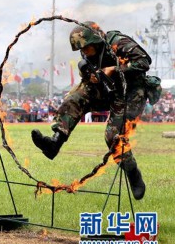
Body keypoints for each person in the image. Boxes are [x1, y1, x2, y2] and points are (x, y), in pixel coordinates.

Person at [31, 21, 161, 200]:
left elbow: (144, 62)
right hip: (109, 91)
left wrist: (114, 70)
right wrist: (91, 78)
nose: (84, 53)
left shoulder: (117, 42)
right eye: (81, 50)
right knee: (75, 97)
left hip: (131, 93)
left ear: (95, 42)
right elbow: (89, 78)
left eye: (86, 48)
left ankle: (133, 174)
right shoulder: (89, 59)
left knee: (113, 138)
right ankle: (55, 143)